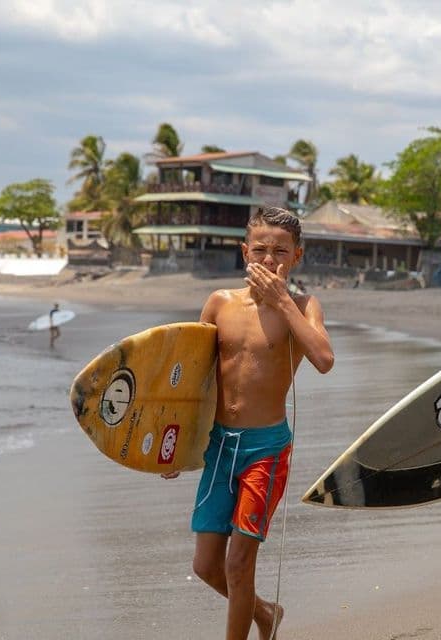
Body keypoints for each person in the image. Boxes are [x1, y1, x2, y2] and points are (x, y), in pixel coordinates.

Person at [163, 206, 334, 640]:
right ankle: (265, 613)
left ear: (297, 255)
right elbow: (194, 378)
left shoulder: (303, 306)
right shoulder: (219, 303)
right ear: (245, 252)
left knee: (239, 564)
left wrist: (281, 301)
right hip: (218, 446)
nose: (270, 259)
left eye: (281, 251)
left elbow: (324, 360)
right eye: (260, 250)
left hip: (266, 450)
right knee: (205, 566)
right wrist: (176, 443)